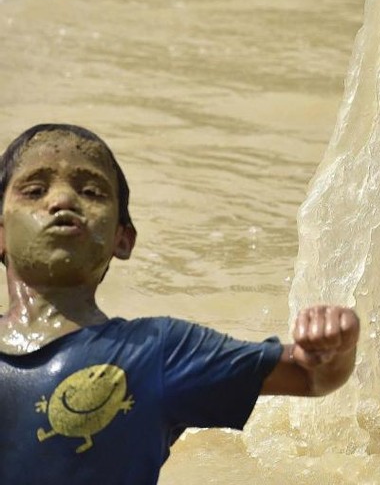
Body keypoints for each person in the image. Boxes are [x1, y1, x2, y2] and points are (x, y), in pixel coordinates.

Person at [0, 123, 361, 482]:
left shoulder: (158, 352)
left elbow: (309, 377)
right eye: (34, 190)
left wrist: (333, 347)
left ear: (122, 239)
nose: (62, 201)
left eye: (92, 191)